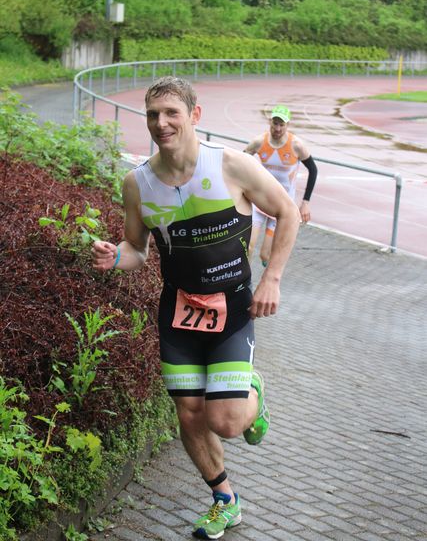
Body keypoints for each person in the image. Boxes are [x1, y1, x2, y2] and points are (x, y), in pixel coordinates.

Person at [92, 77, 300, 539]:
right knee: (189, 412)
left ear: (194, 116)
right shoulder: (138, 183)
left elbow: (287, 211)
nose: (161, 123)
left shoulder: (231, 165)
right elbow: (136, 248)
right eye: (153, 115)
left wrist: (272, 278)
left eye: (172, 113)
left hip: (232, 307)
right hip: (179, 310)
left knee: (224, 421)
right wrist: (115, 257)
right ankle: (224, 500)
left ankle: (253, 392)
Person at [244, 104, 317, 266]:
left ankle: (268, 276)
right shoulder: (258, 142)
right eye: (275, 123)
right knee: (248, 247)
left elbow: (313, 170)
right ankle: (245, 281)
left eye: (281, 125)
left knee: (265, 255)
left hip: (281, 206)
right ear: (269, 122)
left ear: (287, 125)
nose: (277, 128)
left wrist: (305, 202)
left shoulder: (296, 145)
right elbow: (240, 162)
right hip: (260, 201)